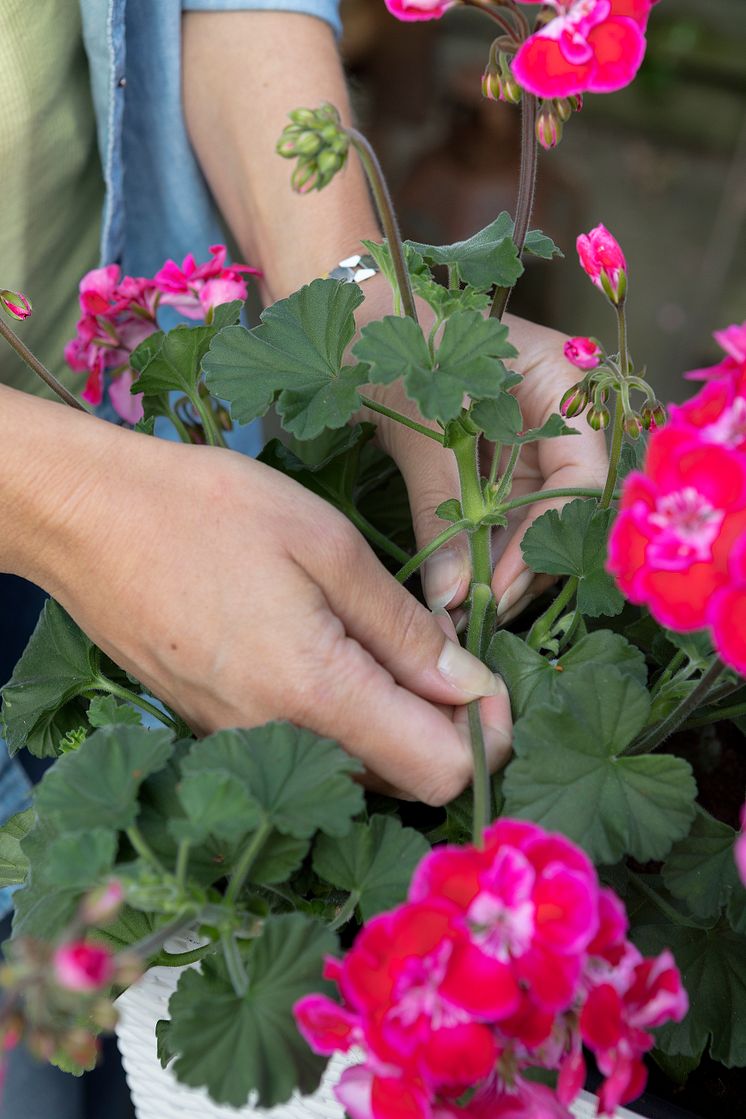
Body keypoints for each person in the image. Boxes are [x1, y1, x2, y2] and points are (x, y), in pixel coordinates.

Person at [0, 1, 607, 1114]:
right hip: (99, 471)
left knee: (73, 1023)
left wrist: (361, 297)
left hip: (112, 395)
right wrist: (73, 500)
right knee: (32, 1043)